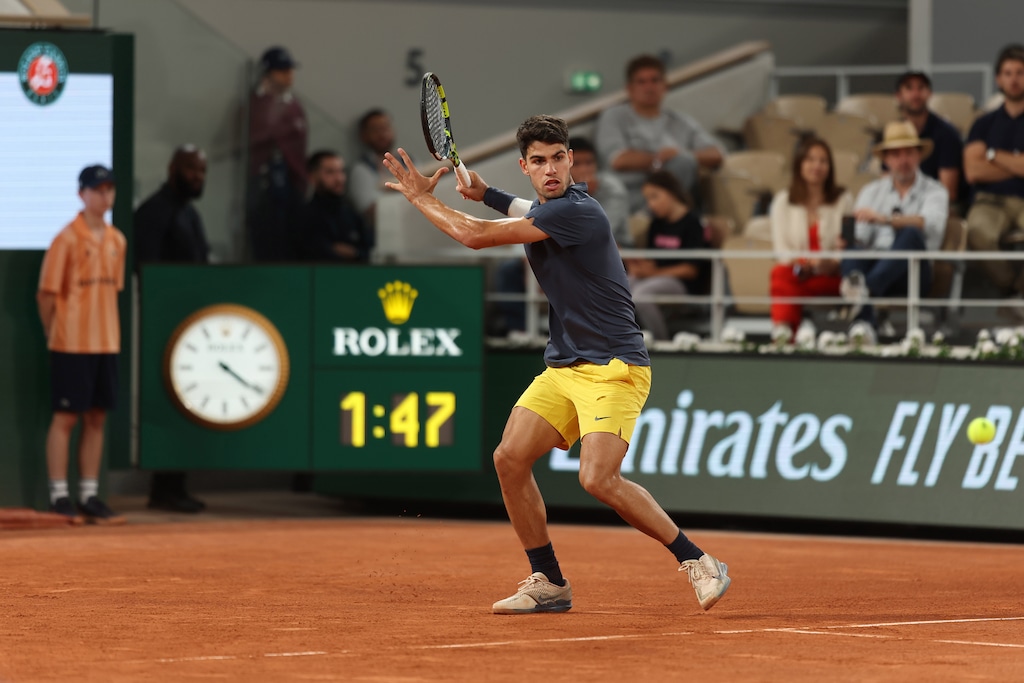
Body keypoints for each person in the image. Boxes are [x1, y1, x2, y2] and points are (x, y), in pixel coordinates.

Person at [382, 114, 730, 614]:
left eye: (558, 158)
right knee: (509, 458)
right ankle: (548, 580)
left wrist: (421, 197)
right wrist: (487, 193)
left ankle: (698, 560)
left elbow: (474, 236)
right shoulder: (554, 207)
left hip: (614, 366)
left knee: (598, 479)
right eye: (539, 161)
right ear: (525, 166)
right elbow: (529, 209)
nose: (550, 169)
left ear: (571, 160)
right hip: (564, 366)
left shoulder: (580, 211)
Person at [37, 165, 127, 525]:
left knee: (97, 416)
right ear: (82, 194)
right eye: (97, 189)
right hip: (71, 343)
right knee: (66, 417)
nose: (105, 196)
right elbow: (46, 294)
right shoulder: (66, 239)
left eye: (109, 189)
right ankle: (59, 496)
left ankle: (89, 495)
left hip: (107, 342)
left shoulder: (117, 240)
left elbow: (113, 290)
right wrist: (53, 332)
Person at [134, 145, 210, 514]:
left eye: (202, 171)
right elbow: (145, 267)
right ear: (173, 168)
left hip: (189, 323)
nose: (198, 176)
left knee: (186, 402)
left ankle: (175, 485)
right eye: (192, 169)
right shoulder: (153, 212)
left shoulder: (189, 213)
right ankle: (163, 487)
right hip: (164, 323)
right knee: (166, 403)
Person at [491, 136, 629, 335]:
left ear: (567, 160)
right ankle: (520, 329)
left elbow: (598, 233)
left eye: (589, 163)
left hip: (610, 253)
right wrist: (487, 194)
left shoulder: (609, 192)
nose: (585, 169)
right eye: (579, 164)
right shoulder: (548, 190)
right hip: (558, 251)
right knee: (510, 270)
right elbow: (527, 216)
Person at [842, 122, 948, 343]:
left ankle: (863, 292)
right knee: (851, 251)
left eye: (909, 153)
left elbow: (930, 224)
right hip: (875, 261)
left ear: (918, 156)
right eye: (896, 154)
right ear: (886, 160)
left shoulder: (936, 191)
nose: (903, 160)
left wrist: (886, 219)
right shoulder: (870, 191)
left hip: (914, 272)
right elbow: (860, 238)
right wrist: (847, 240)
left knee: (910, 234)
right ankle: (864, 326)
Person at [595, 54, 724, 213]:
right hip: (630, 193)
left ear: (665, 86)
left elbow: (716, 154)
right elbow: (618, 160)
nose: (649, 87)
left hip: (676, 191)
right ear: (629, 89)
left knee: (684, 162)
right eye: (641, 82)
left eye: (655, 80)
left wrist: (678, 154)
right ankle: (649, 218)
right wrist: (658, 159)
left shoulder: (680, 121)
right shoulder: (614, 116)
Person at [768, 137, 854, 338]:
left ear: (830, 167)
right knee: (781, 274)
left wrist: (831, 263)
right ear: (799, 164)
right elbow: (781, 250)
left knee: (781, 282)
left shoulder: (843, 200)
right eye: (810, 159)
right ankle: (786, 334)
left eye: (823, 161)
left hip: (832, 276)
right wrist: (805, 263)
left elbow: (848, 246)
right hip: (798, 273)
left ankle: (783, 337)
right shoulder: (783, 201)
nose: (817, 166)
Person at [964, 44, 1024, 311]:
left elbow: (983, 164)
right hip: (990, 201)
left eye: (1020, 72)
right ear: (999, 79)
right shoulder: (983, 123)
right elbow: (973, 171)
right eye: (1008, 73)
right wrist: (1017, 162)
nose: (1014, 79)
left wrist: (992, 154)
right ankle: (1012, 290)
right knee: (977, 232)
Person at [626, 170, 711, 340]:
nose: (651, 204)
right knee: (621, 288)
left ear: (671, 192)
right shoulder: (656, 224)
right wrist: (639, 267)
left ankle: (660, 342)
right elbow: (653, 260)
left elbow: (690, 270)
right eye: (647, 199)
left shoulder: (693, 223)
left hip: (683, 285)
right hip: (656, 277)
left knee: (641, 296)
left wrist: (652, 273)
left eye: (654, 197)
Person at [246, 46, 308, 261]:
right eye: (282, 70)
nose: (289, 75)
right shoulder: (256, 104)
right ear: (268, 74)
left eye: (290, 70)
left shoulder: (294, 105)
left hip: (292, 183)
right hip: (264, 185)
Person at [894, 70, 966, 208]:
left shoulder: (947, 133)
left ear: (930, 93)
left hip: (937, 205)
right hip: (901, 203)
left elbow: (948, 192)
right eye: (909, 88)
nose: (916, 94)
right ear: (898, 96)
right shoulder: (893, 133)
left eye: (921, 88)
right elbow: (887, 181)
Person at [298, 150, 374, 262]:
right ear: (312, 177)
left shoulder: (352, 215)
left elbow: (371, 252)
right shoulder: (304, 216)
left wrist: (355, 253)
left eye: (341, 171)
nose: (339, 178)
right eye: (330, 172)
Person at [348, 109, 405, 229]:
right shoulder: (361, 170)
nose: (382, 134)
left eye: (385, 127)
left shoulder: (408, 160)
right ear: (364, 135)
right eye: (375, 129)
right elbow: (373, 214)